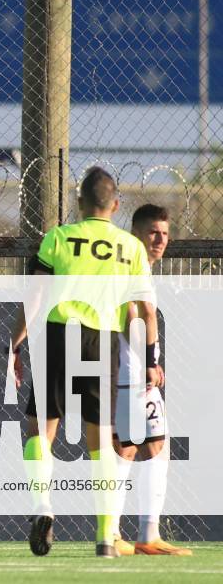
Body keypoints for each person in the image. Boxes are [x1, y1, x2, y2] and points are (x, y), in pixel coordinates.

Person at [9, 167, 160, 559]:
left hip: (63, 333)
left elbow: (35, 296)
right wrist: (150, 359)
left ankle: (42, 506)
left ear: (78, 203)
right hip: (104, 339)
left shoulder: (58, 238)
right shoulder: (131, 247)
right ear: (115, 204)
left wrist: (16, 342)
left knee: (40, 429)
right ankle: (106, 538)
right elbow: (144, 311)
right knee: (100, 442)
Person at [109, 204, 191, 556]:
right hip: (131, 369)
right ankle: (132, 534)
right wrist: (148, 362)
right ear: (137, 234)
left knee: (138, 448)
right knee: (142, 448)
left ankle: (129, 533)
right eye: (153, 233)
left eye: (165, 234)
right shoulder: (130, 263)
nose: (159, 240)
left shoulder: (133, 264)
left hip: (129, 368)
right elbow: (133, 314)